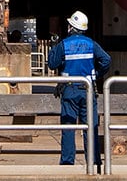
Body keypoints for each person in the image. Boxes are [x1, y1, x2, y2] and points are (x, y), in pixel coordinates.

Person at [46, 10, 110, 167]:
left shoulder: (64, 44)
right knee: (91, 127)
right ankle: (94, 162)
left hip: (69, 90)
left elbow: (52, 64)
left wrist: (54, 45)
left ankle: (67, 162)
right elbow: (106, 59)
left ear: (70, 27)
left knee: (69, 127)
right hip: (88, 90)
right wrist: (97, 73)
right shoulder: (91, 44)